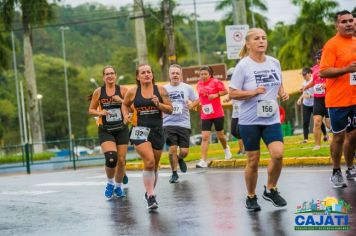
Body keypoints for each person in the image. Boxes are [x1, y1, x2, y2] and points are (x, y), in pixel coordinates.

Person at [229, 28, 289, 211]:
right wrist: (253, 92)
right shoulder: (243, 66)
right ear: (248, 44)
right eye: (257, 38)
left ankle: (270, 189)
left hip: (271, 118)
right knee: (253, 161)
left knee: (278, 154)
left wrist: (282, 92)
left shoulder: (274, 62)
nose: (261, 41)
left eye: (264, 38)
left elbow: (278, 81)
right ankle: (251, 196)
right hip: (249, 120)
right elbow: (232, 93)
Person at [122, 64, 173, 209]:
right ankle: (151, 197)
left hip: (157, 130)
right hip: (140, 130)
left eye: (148, 72)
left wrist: (159, 105)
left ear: (152, 75)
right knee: (149, 161)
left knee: (154, 166)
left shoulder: (161, 90)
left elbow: (170, 110)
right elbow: (125, 105)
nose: (146, 74)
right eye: (143, 72)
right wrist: (126, 115)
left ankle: (149, 192)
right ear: (138, 76)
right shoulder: (133, 92)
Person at [319, 10, 356, 187]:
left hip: (354, 98)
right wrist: (346, 69)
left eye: (351, 21)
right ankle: (335, 171)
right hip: (338, 100)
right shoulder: (332, 45)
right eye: (344, 22)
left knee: (354, 135)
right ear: (337, 25)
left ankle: (350, 167)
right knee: (339, 136)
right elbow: (323, 71)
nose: (349, 24)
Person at [88, 65, 129, 199]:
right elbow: (91, 110)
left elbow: (132, 107)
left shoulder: (123, 90)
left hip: (121, 129)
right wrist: (100, 112)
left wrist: (121, 100)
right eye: (107, 74)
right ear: (103, 77)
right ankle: (110, 183)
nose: (110, 76)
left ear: (115, 75)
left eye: (112, 73)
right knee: (111, 158)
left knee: (121, 161)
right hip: (106, 130)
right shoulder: (99, 91)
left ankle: (118, 186)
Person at [163, 64, 199, 183]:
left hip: (184, 123)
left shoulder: (187, 88)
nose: (175, 75)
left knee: (184, 151)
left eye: (177, 73)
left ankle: (179, 159)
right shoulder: (164, 89)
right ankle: (174, 173)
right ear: (169, 75)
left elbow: (197, 100)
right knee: (172, 149)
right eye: (173, 73)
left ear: (180, 75)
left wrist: (192, 105)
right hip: (168, 123)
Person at [195, 66, 232, 168]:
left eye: (205, 74)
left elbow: (225, 91)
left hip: (217, 113)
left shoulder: (215, 82)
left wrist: (216, 95)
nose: (203, 76)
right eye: (201, 74)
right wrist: (194, 104)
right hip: (206, 114)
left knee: (220, 136)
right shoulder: (199, 84)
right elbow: (201, 98)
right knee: (205, 137)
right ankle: (202, 160)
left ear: (209, 74)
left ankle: (226, 149)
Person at [302, 50, 330, 150]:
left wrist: (326, 85)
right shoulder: (314, 69)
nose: (318, 60)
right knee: (317, 121)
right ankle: (317, 145)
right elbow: (314, 82)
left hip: (328, 98)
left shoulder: (330, 68)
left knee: (328, 124)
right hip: (317, 99)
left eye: (320, 58)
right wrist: (306, 87)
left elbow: (335, 82)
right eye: (317, 58)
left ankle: (338, 140)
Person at [297, 67, 328, 143]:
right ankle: (305, 139)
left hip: (314, 103)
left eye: (305, 74)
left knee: (318, 121)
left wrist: (310, 96)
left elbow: (318, 93)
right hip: (306, 104)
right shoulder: (303, 82)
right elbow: (304, 93)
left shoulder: (314, 81)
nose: (303, 76)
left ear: (309, 74)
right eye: (302, 75)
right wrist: (300, 99)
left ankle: (325, 135)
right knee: (305, 121)